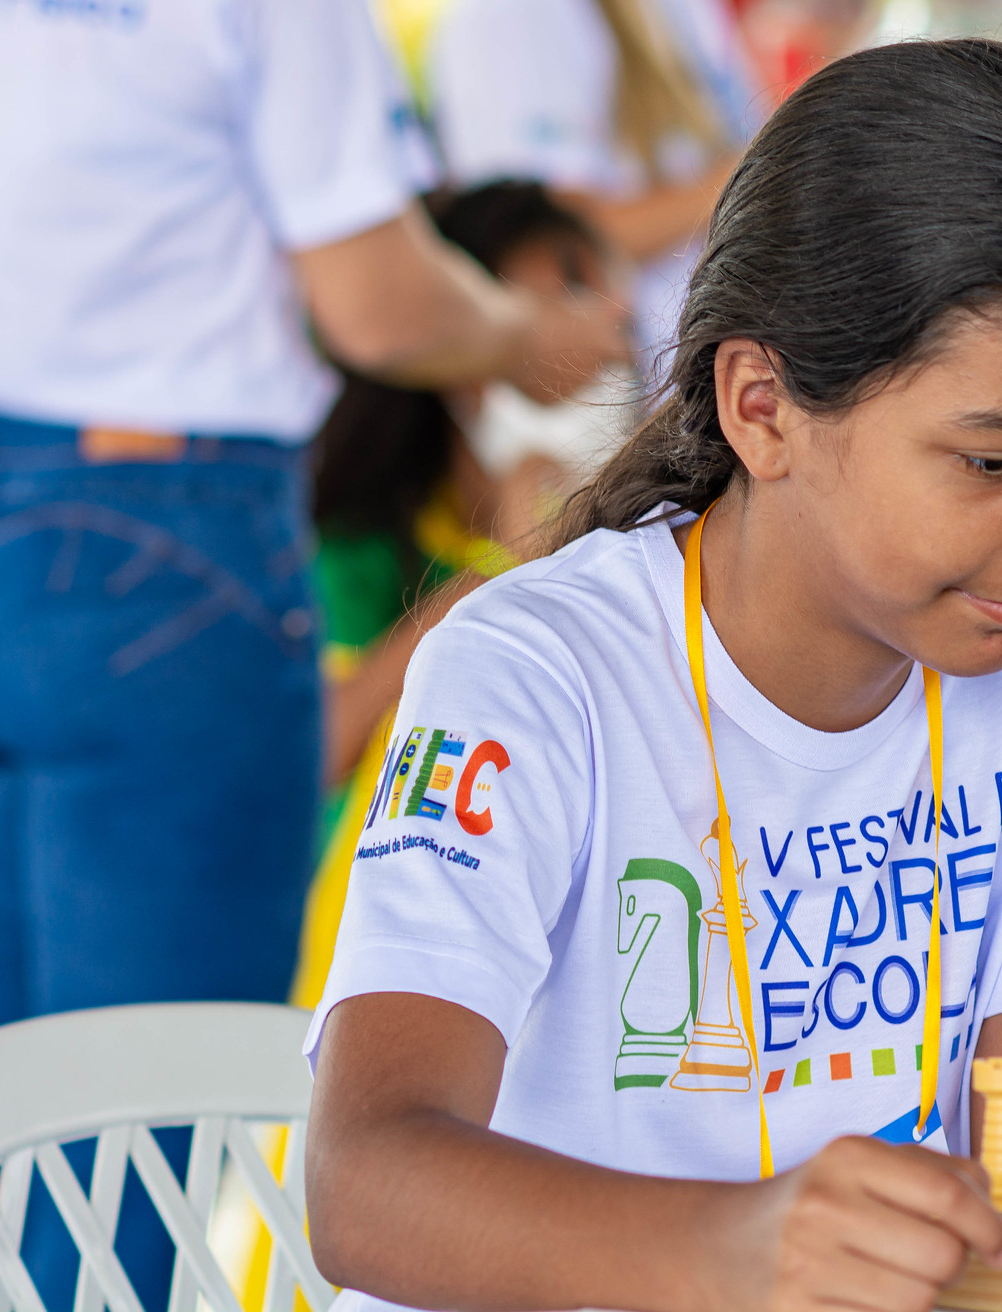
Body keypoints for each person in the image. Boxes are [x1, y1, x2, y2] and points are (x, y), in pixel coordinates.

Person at [303, 39, 1002, 1312]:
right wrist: (739, 1250)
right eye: (996, 463)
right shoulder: (533, 671)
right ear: (762, 407)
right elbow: (362, 1184)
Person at [0, 2, 627, 1306]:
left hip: (17, 508)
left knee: (2, 1121)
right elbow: (378, 302)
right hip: (154, 533)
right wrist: (513, 332)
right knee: (123, 1145)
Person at [298, 181, 633, 1009]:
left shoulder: (623, 541)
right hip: (360, 952)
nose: (607, 327)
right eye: (568, 288)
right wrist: (495, 576)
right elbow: (319, 749)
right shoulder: (353, 536)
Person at [428, 0, 761, 345]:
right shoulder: (502, 21)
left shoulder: (683, 8)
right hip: (646, 370)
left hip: (739, 336)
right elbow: (548, 239)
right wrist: (758, 178)